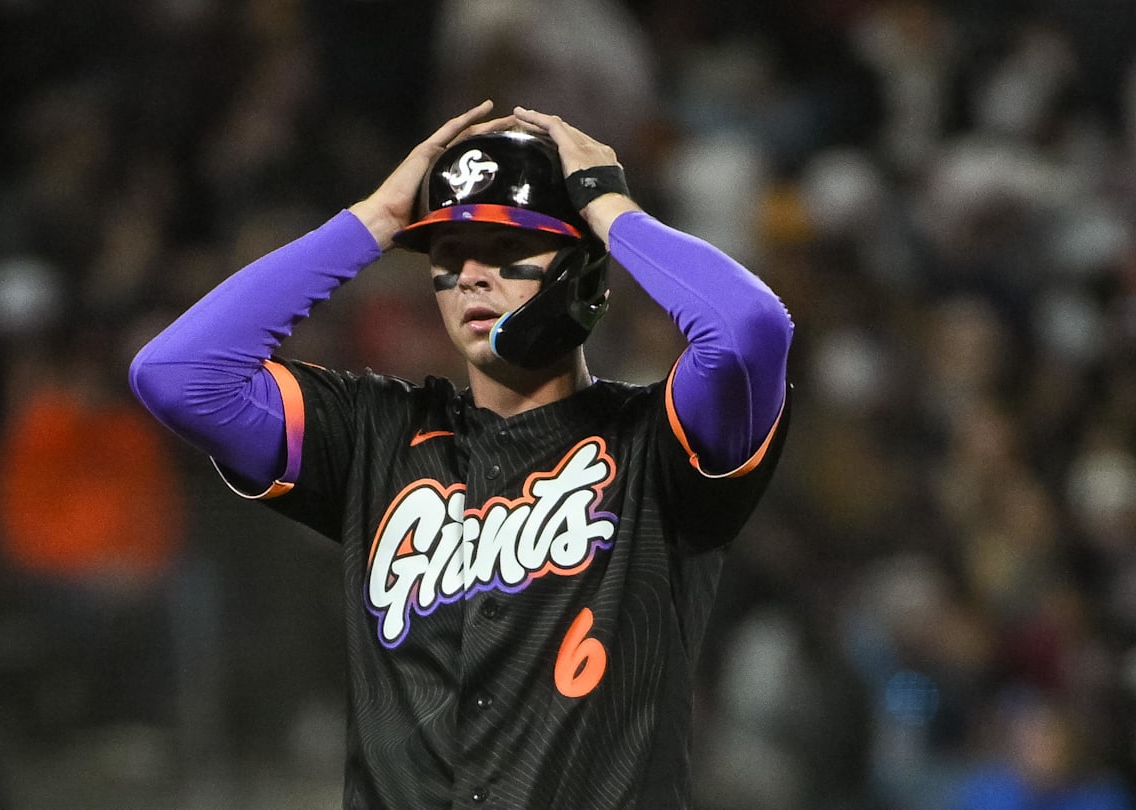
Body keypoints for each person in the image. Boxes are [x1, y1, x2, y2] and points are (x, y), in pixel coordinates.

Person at [130, 100, 793, 808]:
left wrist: (611, 210)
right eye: (449, 256)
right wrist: (374, 222)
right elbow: (178, 376)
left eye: (507, 251)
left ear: (584, 278)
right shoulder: (375, 436)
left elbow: (748, 329)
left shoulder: (655, 443)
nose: (472, 275)